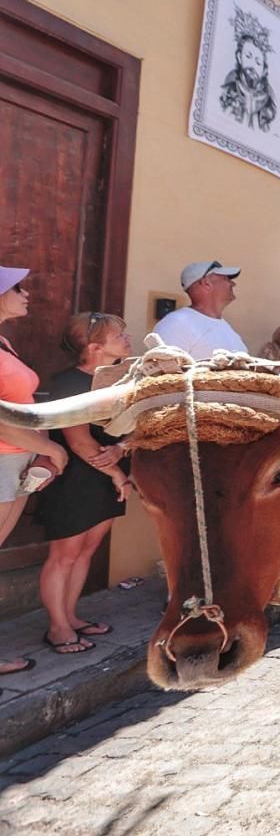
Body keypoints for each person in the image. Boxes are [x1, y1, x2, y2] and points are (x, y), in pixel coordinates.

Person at [37, 313, 134, 655]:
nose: (127, 338)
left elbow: (137, 425)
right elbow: (77, 441)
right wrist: (117, 473)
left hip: (106, 476)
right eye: (119, 335)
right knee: (64, 556)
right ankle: (57, 627)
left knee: (87, 551)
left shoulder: (122, 380)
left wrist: (122, 450)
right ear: (95, 347)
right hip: (74, 479)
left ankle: (71, 616)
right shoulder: (67, 383)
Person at [0, 268, 69, 674]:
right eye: (17, 287)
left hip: (16, 459)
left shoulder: (5, 342)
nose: (27, 293)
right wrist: (50, 448)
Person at [152, 261, 247, 359]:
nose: (233, 283)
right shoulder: (176, 324)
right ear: (206, 283)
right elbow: (163, 371)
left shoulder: (227, 328)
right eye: (225, 278)